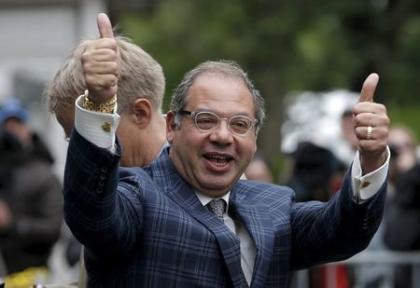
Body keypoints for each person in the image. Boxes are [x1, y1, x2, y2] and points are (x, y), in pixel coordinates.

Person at [64, 13, 390, 287]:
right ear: (172, 127)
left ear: (255, 138)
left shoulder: (274, 207)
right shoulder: (136, 196)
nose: (222, 136)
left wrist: (372, 158)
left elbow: (345, 231)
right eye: (205, 120)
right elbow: (91, 216)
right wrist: (99, 104)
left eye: (239, 124)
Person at [44, 28, 167, 284]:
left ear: (141, 113)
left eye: (94, 131)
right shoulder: (104, 198)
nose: (84, 154)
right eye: (76, 141)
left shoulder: (211, 182)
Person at [0, 99, 62, 275]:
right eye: (7, 125)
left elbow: (53, 229)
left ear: (27, 129)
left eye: (17, 124)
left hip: (30, 275)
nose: (12, 131)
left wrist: (11, 223)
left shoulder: (44, 175)